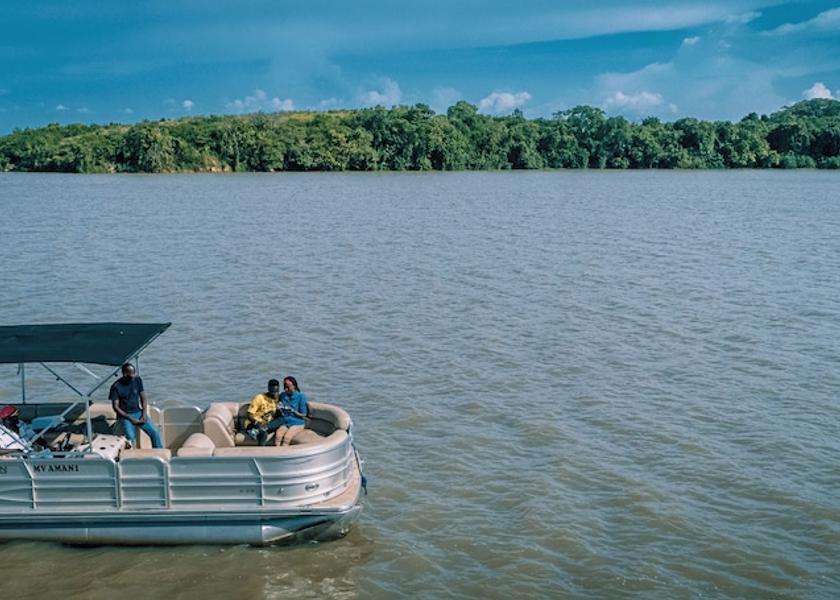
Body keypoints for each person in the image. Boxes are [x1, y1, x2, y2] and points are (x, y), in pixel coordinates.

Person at [109, 362, 163, 448]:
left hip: (138, 412)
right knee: (130, 437)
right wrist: (130, 418)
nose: (133, 376)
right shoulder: (116, 386)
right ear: (125, 374)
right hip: (125, 416)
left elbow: (143, 398)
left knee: (154, 432)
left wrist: (144, 414)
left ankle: (159, 452)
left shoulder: (137, 380)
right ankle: (133, 457)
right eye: (131, 374)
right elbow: (116, 407)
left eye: (134, 373)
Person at [264, 376, 309, 446]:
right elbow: (274, 400)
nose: (286, 388)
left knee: (287, 438)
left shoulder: (301, 396)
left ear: (294, 386)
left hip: (297, 423)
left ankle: (284, 454)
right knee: (278, 435)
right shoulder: (282, 395)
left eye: (288, 386)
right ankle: (277, 454)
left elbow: (304, 414)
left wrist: (293, 411)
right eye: (285, 386)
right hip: (285, 422)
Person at [244, 379, 280, 446]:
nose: (275, 393)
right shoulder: (259, 398)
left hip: (267, 424)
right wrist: (258, 423)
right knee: (263, 432)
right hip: (254, 424)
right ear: (268, 388)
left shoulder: (276, 399)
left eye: (276, 391)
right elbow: (249, 414)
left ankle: (259, 431)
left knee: (282, 420)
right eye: (273, 391)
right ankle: (261, 451)